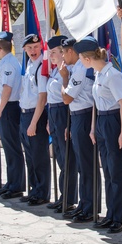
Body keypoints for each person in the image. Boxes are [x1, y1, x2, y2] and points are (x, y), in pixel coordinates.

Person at [76, 36, 122, 233]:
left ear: (88, 58)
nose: (80, 62)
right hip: (102, 121)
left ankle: (119, 217)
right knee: (107, 170)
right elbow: (95, 104)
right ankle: (111, 213)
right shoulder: (99, 75)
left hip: (115, 121)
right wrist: (93, 127)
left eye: (81, 58)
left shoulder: (112, 75)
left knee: (117, 171)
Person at [59, 37, 96, 222]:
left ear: (71, 52)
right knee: (82, 165)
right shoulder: (77, 68)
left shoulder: (80, 69)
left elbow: (67, 99)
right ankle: (84, 204)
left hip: (84, 115)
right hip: (77, 117)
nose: (63, 56)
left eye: (64, 52)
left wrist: (64, 78)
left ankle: (90, 207)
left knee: (87, 165)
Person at [0, 32, 25, 199]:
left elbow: (7, 89)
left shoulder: (8, 64)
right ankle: (12, 182)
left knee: (12, 147)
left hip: (9, 108)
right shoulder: (6, 62)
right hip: (7, 107)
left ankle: (16, 185)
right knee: (9, 148)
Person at [18, 33, 50, 206]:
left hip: (35, 115)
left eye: (36, 47)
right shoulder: (29, 66)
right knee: (29, 156)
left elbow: (42, 97)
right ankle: (34, 190)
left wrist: (33, 123)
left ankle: (42, 193)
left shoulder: (41, 69)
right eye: (29, 48)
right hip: (25, 113)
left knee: (39, 156)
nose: (33, 50)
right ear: (24, 50)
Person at [45, 36, 71, 210]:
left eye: (54, 52)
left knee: (66, 158)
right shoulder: (55, 71)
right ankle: (63, 195)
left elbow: (68, 96)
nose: (51, 55)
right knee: (60, 156)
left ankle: (68, 198)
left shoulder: (66, 71)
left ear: (63, 53)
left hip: (63, 112)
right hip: (53, 113)